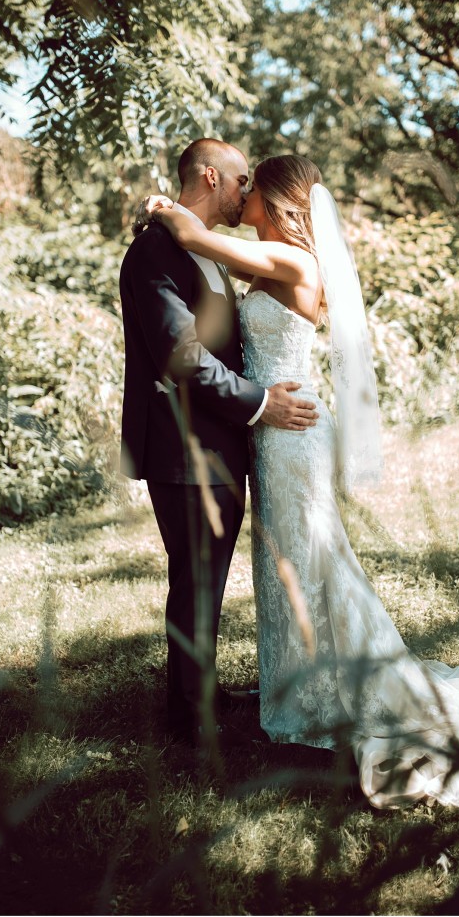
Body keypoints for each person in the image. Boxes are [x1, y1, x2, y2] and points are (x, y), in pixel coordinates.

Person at [140, 153, 459, 809]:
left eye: (253, 184)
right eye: (239, 180)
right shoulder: (266, 257)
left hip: (289, 433)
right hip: (273, 433)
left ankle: (344, 687)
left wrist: (164, 209)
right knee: (291, 561)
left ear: (278, 201)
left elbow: (194, 237)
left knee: (311, 559)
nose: (244, 191)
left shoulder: (295, 263)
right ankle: (297, 684)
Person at [119, 139, 319, 749]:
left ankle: (198, 692)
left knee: (208, 579)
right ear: (211, 175)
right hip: (185, 450)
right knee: (197, 582)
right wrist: (260, 403)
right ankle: (189, 719)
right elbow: (182, 357)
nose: (244, 189)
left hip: (228, 444)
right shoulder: (155, 251)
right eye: (238, 179)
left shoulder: (209, 252)